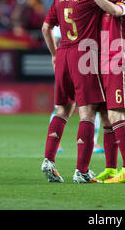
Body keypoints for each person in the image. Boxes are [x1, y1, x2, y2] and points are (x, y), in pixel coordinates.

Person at [41, 0, 125, 183]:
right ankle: (81, 171)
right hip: (85, 56)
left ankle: (49, 160)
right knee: (87, 113)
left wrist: (53, 54)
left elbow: (45, 28)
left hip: (62, 54)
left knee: (62, 109)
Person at [73, 0, 125, 183]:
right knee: (106, 118)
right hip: (100, 65)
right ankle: (111, 168)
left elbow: (114, 11)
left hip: (118, 64)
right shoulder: (98, 4)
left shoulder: (122, 1)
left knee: (116, 116)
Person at [49, 26, 104, 154]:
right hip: (74, 64)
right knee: (63, 107)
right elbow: (55, 40)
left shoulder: (73, 12)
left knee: (91, 106)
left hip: (82, 65)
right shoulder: (64, 16)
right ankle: (56, 143)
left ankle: (93, 142)